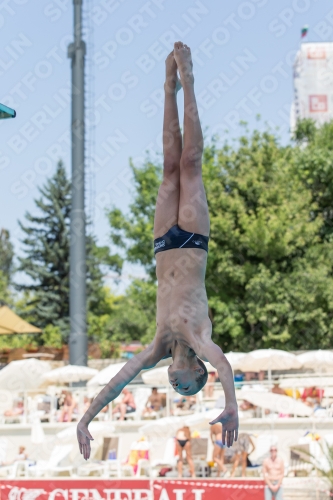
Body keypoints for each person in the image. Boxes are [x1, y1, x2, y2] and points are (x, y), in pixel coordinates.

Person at [77, 41, 238, 460]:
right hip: (193, 242)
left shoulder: (157, 347)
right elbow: (225, 366)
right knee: (190, 163)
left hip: (163, 242)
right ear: (196, 370)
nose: (177, 387)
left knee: (168, 164)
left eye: (177, 389)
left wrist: (86, 419)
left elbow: (118, 382)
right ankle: (189, 79)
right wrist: (231, 404)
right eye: (187, 386)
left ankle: (168, 88)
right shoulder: (200, 340)